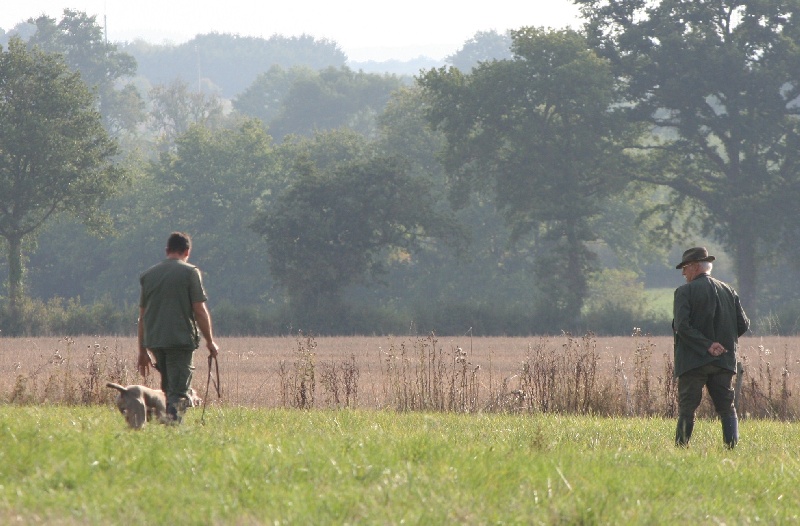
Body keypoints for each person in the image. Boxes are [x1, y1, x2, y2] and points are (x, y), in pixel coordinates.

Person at [137, 232, 219, 423]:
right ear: (187, 251)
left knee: (167, 388)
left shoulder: (148, 276)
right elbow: (199, 310)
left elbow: (142, 316)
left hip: (155, 341)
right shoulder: (190, 272)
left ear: (167, 251)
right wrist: (210, 342)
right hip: (180, 341)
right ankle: (172, 431)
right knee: (179, 392)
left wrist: (142, 350)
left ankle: (164, 425)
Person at [672, 247, 749, 448]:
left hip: (693, 361)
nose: (683, 273)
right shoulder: (729, 291)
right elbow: (744, 325)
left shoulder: (684, 292)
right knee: (727, 407)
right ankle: (732, 447)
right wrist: (720, 345)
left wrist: (707, 346)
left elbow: (681, 326)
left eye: (685, 267)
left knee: (687, 409)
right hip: (723, 360)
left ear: (696, 267)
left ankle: (681, 448)